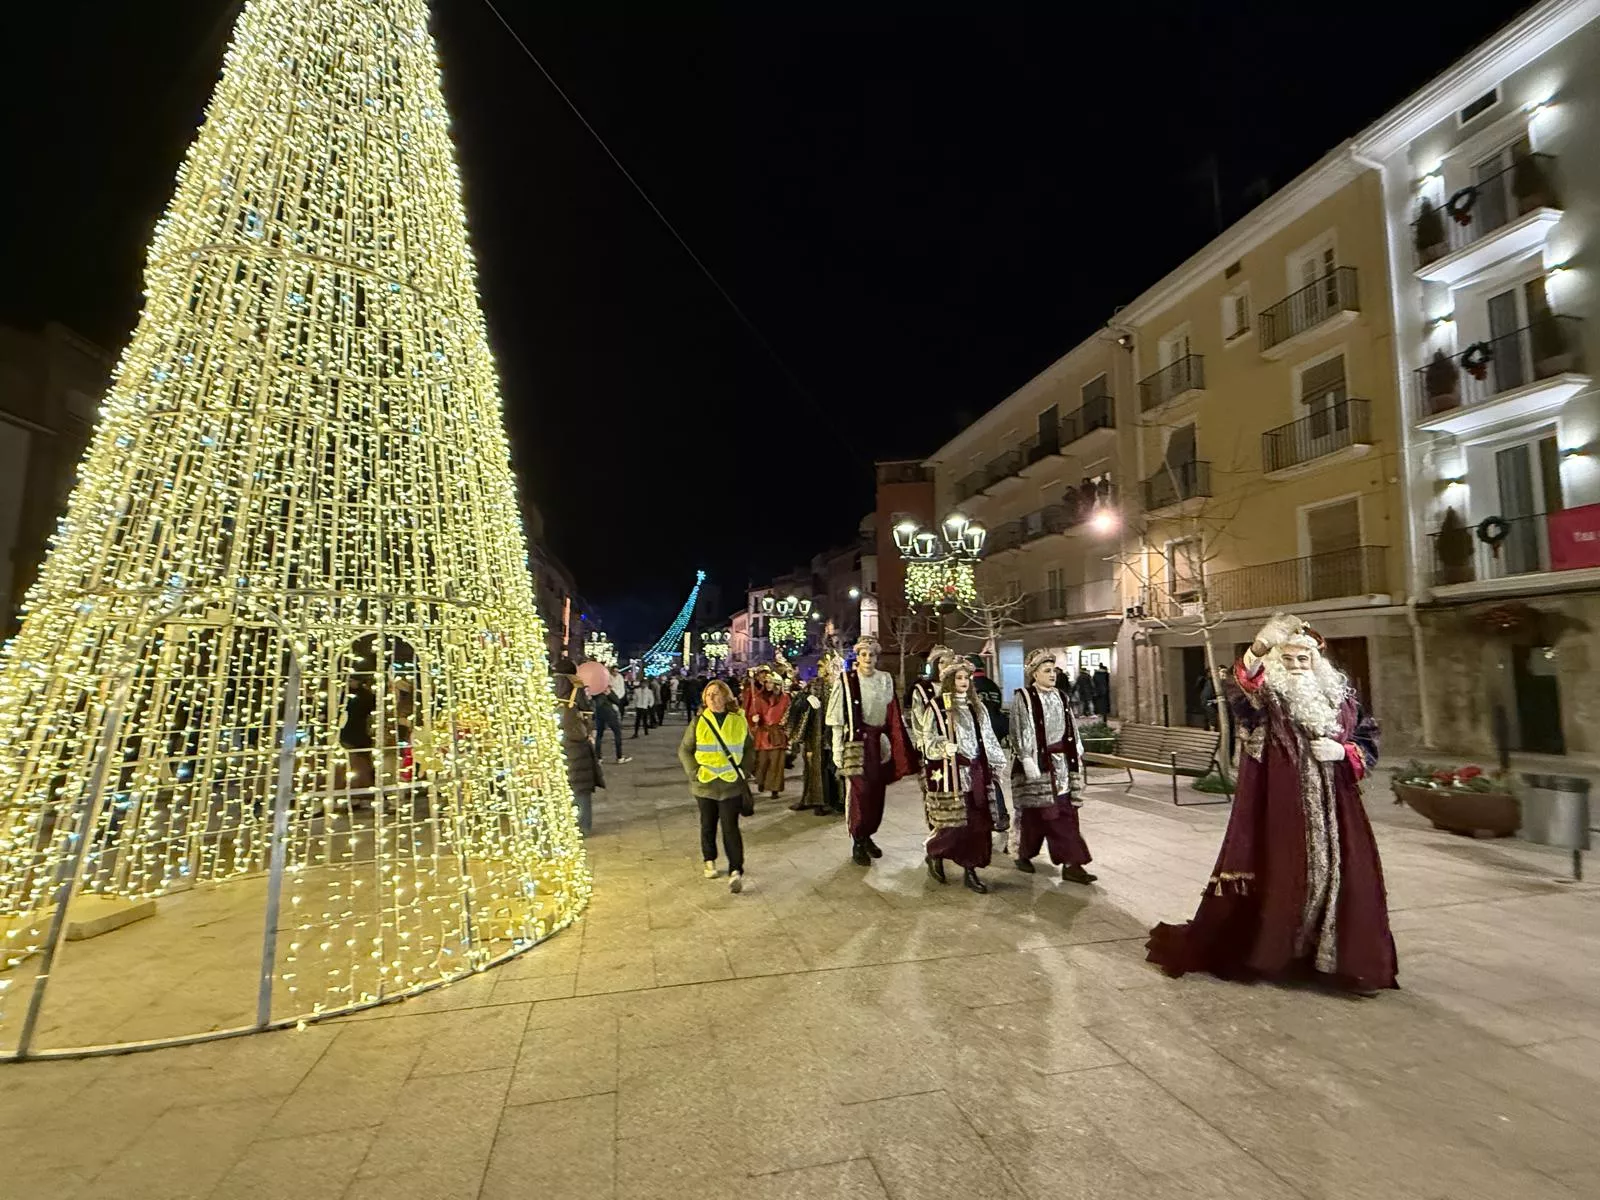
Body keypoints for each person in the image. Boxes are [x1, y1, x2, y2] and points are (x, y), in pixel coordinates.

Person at [1146, 614, 1394, 994]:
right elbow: (1241, 688)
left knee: (1340, 875)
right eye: (1289, 659)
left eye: (1303, 659)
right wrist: (1258, 648)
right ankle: (1282, 953)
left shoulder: (1341, 700)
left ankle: (1336, 959)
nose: (1296, 666)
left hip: (1337, 807)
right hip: (1283, 803)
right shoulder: (1269, 698)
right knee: (1287, 872)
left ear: (1317, 663)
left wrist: (1343, 752)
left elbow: (1367, 737)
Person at [916, 658, 1007, 893]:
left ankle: (970, 869)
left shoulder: (977, 707)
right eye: (958, 678)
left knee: (977, 825)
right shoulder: (936, 707)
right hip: (950, 774)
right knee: (953, 825)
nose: (964, 682)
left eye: (966, 678)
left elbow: (988, 737)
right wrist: (943, 747)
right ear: (948, 680)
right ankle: (934, 853)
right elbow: (928, 740)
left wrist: (997, 764)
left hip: (976, 772)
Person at [827, 636, 918, 866]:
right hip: (856, 744)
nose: (867, 659)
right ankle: (857, 838)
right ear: (857, 657)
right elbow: (837, 718)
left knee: (876, 794)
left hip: (879, 744)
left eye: (872, 654)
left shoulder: (885, 679)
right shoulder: (846, 681)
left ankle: (868, 835)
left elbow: (893, 714)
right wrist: (838, 749)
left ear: (877, 657)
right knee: (859, 794)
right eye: (863, 654)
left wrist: (894, 741)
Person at [1011, 649, 1096, 884]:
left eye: (1054, 670)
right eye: (1046, 671)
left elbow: (1071, 726)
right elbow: (1019, 729)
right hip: (1039, 765)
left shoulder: (1061, 696)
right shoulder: (1024, 697)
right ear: (1034, 674)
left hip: (1062, 766)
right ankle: (1029, 854)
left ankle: (1071, 864)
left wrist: (1077, 748)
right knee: (1042, 815)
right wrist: (1027, 759)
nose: (1052, 675)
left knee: (1061, 813)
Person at [678, 678, 757, 893]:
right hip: (705, 783)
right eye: (708, 695)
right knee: (708, 824)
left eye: (716, 694)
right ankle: (709, 859)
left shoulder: (738, 720)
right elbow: (684, 750)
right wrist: (694, 772)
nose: (712, 698)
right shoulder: (699, 721)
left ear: (726, 696)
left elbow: (750, 748)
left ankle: (735, 869)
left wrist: (744, 770)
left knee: (730, 827)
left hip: (730, 782)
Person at [789, 651, 844, 814]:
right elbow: (797, 703)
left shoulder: (842, 685)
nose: (823, 669)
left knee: (834, 769)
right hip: (815, 733)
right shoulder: (815, 684)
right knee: (813, 768)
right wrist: (806, 701)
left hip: (835, 733)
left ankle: (835, 801)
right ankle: (813, 800)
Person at [554, 660, 603, 836]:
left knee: (559, 786)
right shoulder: (576, 686)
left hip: (552, 739)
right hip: (574, 740)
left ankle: (561, 824)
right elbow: (587, 712)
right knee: (581, 787)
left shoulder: (543, 685)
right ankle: (582, 826)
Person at [747, 665, 792, 798]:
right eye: (766, 682)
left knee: (776, 764)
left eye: (771, 682)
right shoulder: (759, 698)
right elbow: (752, 713)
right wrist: (754, 718)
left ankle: (774, 788)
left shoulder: (784, 698)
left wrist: (786, 723)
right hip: (763, 733)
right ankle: (761, 781)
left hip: (778, 734)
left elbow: (788, 712)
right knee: (762, 762)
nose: (768, 685)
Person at [591, 678, 631, 765]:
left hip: (599, 714)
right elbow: (617, 701)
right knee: (617, 734)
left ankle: (598, 758)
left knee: (599, 736)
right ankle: (619, 757)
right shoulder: (607, 690)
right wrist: (609, 694)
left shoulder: (594, 692)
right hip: (610, 714)